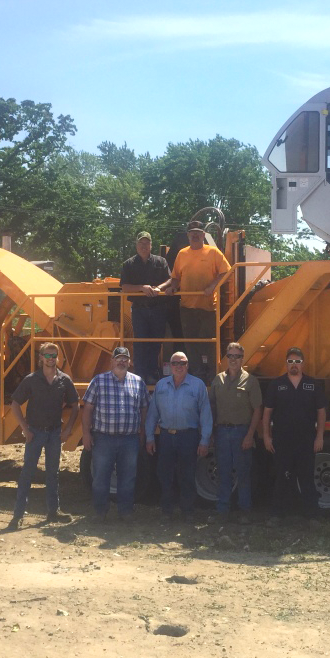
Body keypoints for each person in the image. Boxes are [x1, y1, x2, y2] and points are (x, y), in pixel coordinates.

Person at [7, 342, 80, 531]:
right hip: (35, 433)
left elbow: (75, 405)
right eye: (47, 356)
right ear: (40, 358)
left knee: (52, 473)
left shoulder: (64, 380)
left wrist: (68, 429)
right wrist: (25, 428)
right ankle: (18, 514)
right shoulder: (31, 380)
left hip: (55, 433)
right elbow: (15, 403)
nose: (51, 359)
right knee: (27, 473)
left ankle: (53, 511)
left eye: (54, 355)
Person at [155, 220, 229, 382]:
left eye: (198, 232)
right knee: (190, 343)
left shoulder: (213, 252)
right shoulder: (182, 254)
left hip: (209, 306)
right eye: (192, 232)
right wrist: (172, 288)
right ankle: (196, 374)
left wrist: (212, 286)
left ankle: (212, 375)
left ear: (203, 234)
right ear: (188, 235)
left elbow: (225, 272)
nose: (195, 235)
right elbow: (176, 278)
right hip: (187, 307)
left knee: (209, 342)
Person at [81, 346, 150, 521]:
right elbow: (87, 409)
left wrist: (142, 432)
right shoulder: (98, 381)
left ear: (129, 362)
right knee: (100, 477)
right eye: (118, 358)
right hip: (104, 438)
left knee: (128, 478)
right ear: (112, 361)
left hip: (129, 439)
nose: (121, 361)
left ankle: (125, 512)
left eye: (125, 358)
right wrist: (86, 434)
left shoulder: (138, 382)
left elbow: (143, 409)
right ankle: (100, 512)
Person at [262, 347, 327, 528]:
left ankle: (312, 516)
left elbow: (321, 412)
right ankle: (277, 515)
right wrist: (267, 437)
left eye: (297, 362)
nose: (294, 365)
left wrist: (319, 436)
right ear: (286, 364)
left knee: (306, 477)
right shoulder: (276, 385)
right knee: (282, 477)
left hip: (306, 440)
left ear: (303, 364)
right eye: (290, 362)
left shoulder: (312, 385)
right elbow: (267, 413)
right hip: (282, 440)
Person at [145, 350, 213, 521]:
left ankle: (187, 511)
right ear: (169, 366)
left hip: (188, 436)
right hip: (167, 436)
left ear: (187, 365)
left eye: (182, 363)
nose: (178, 366)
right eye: (175, 363)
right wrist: (150, 437)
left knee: (187, 475)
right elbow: (152, 413)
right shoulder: (161, 385)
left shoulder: (198, 386)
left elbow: (206, 415)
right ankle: (167, 510)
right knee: (164, 474)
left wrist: (204, 440)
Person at [208, 342, 262, 523]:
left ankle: (245, 511)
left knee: (243, 473)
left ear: (242, 359)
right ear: (226, 358)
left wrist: (250, 435)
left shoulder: (250, 381)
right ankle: (222, 511)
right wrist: (211, 432)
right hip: (222, 431)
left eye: (237, 356)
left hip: (242, 432)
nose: (233, 359)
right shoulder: (218, 380)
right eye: (230, 356)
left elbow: (257, 410)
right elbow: (212, 406)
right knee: (223, 472)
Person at [119, 232, 171, 384]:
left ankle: (153, 374)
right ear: (136, 245)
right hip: (139, 309)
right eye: (141, 243)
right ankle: (140, 376)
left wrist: (159, 288)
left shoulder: (161, 262)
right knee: (140, 342)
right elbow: (124, 286)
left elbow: (171, 280)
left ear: (151, 245)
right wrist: (142, 288)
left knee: (156, 342)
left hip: (158, 308)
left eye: (146, 243)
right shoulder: (128, 264)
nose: (143, 246)